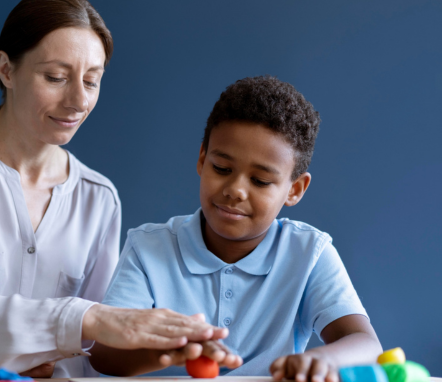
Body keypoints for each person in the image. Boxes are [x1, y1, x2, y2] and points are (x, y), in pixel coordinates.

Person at [0, 0, 226, 378]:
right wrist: (82, 321)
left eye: (91, 81)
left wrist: (165, 345)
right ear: (7, 69)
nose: (78, 101)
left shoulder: (98, 198)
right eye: (56, 77)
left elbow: (90, 350)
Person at [89, 76, 383, 380]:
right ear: (203, 159)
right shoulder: (147, 248)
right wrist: (173, 349)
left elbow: (367, 345)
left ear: (295, 189)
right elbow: (105, 356)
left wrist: (321, 360)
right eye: (222, 169)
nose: (235, 190)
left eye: (260, 181)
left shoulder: (309, 253)